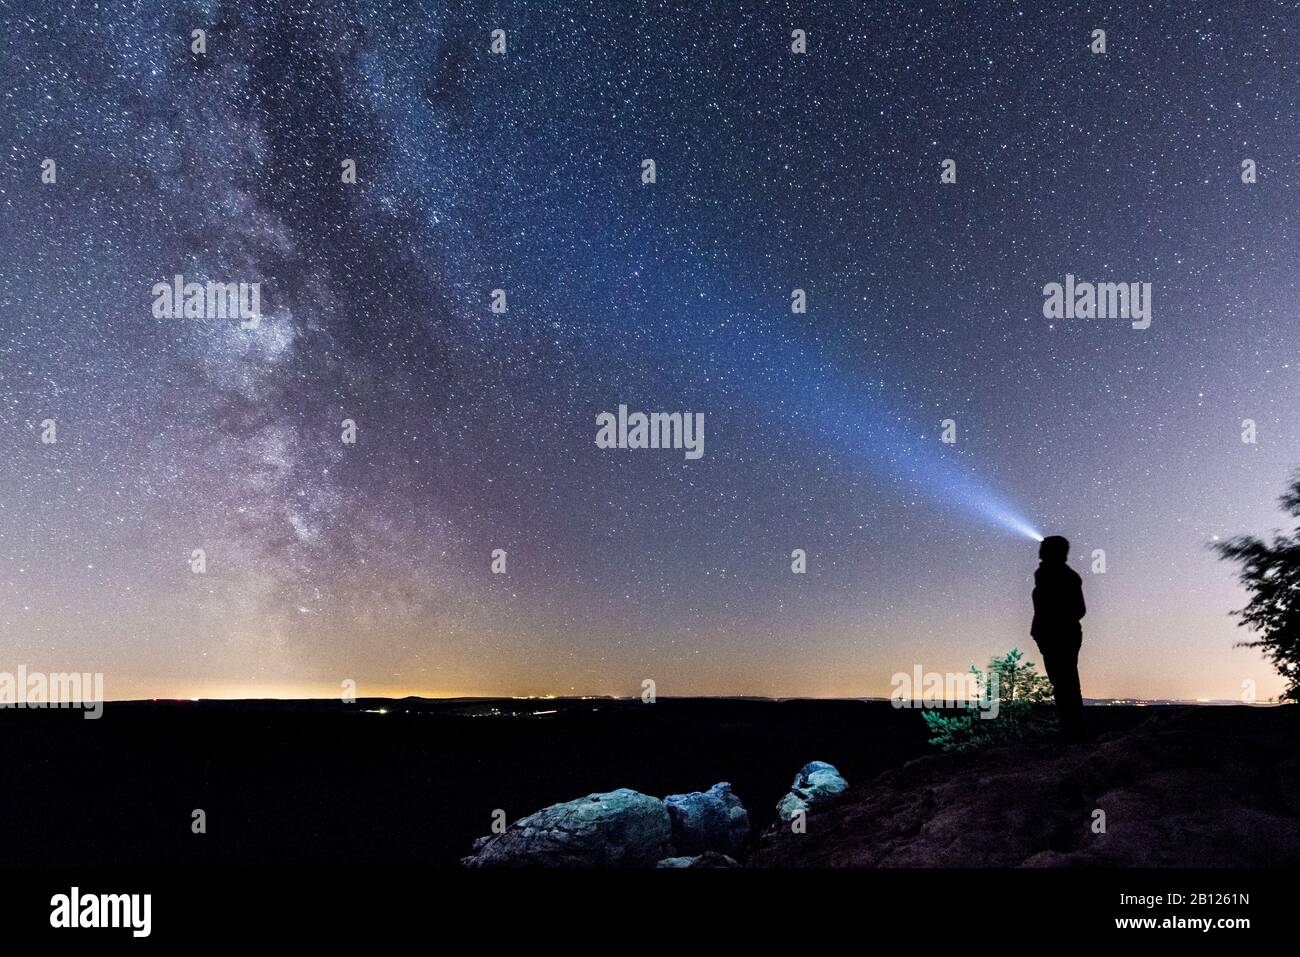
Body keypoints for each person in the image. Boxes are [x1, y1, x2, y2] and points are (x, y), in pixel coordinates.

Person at [1030, 535, 1086, 741]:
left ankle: (1073, 731)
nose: (1040, 552)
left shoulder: (1064, 577)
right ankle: (1072, 728)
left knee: (1065, 682)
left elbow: (1079, 609)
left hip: (1061, 636)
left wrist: (1053, 625)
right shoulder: (1048, 575)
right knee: (1063, 682)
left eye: (1044, 548)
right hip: (1055, 635)